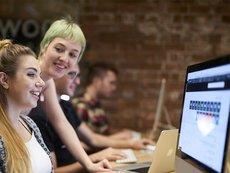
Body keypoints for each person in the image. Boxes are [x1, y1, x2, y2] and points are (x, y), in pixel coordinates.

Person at [28, 18, 111, 172]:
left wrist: (89, 164)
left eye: (73, 55)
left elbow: (61, 123)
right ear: (45, 46)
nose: (64, 59)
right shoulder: (28, 72)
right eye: (59, 49)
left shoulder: (48, 82)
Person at [30, 64, 127, 172]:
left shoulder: (67, 106)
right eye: (72, 75)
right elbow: (53, 171)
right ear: (55, 75)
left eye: (78, 76)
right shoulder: (38, 116)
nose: (77, 81)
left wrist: (132, 143)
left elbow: (93, 138)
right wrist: (93, 159)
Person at [0, 39, 53, 173]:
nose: (41, 82)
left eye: (39, 75)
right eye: (31, 74)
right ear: (4, 80)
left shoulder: (30, 124)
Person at [71, 62, 136, 139]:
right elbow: (84, 143)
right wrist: (118, 137)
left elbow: (101, 131)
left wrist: (119, 132)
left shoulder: (95, 103)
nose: (114, 88)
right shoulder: (80, 106)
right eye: (111, 83)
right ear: (96, 81)